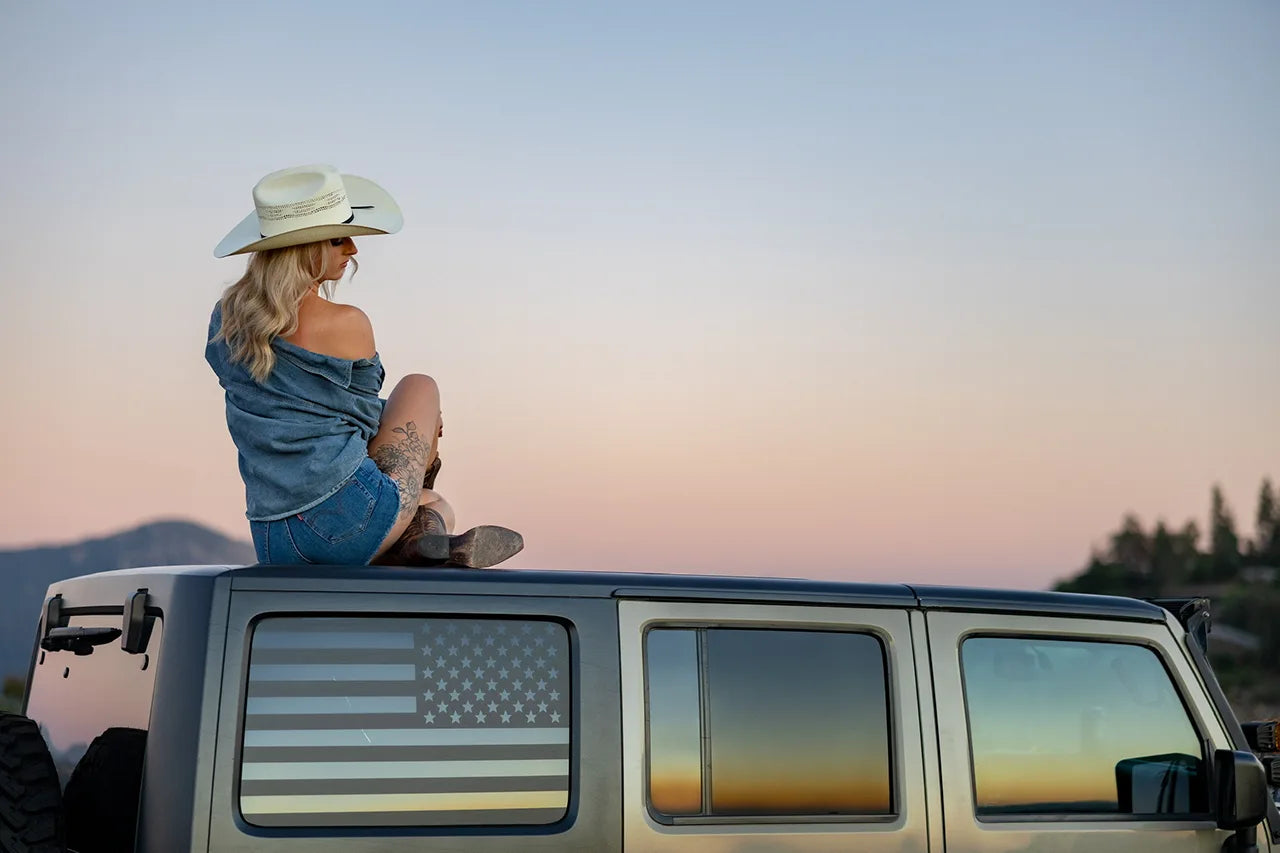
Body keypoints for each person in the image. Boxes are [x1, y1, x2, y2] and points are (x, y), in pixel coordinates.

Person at [205, 164, 523, 568]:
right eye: (339, 239)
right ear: (305, 248)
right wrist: (425, 429)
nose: (353, 249)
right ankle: (418, 535)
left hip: (274, 537)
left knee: (433, 500)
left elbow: (300, 406)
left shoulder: (226, 320)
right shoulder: (346, 323)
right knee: (420, 389)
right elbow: (365, 425)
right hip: (349, 522)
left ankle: (415, 539)